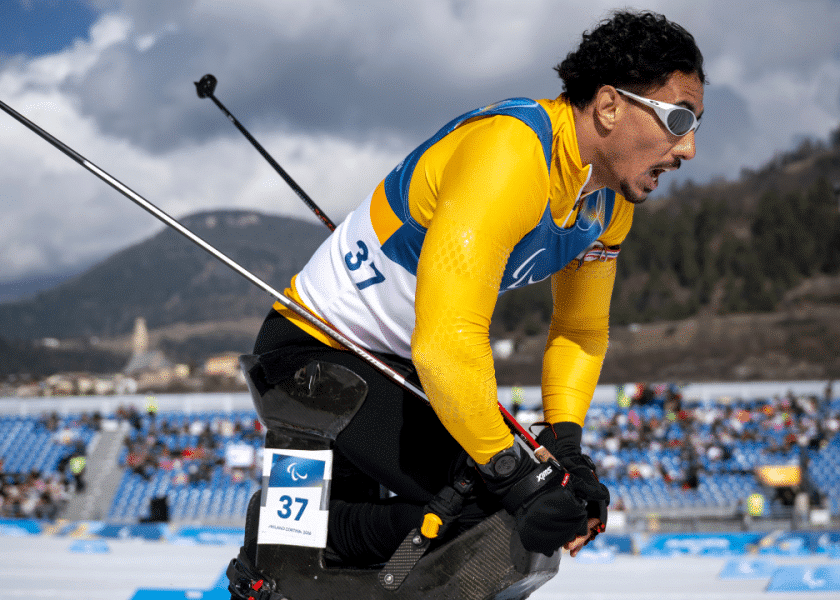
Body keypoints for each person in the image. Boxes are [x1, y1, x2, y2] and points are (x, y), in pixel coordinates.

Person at [251, 9, 705, 564]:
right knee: (492, 511)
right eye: (679, 121)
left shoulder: (605, 203)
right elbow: (446, 344)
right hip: (317, 348)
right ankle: (284, 535)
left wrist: (566, 451)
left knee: (531, 507)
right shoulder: (511, 155)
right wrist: (516, 477)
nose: (688, 149)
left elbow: (580, 331)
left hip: (402, 365)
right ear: (610, 106)